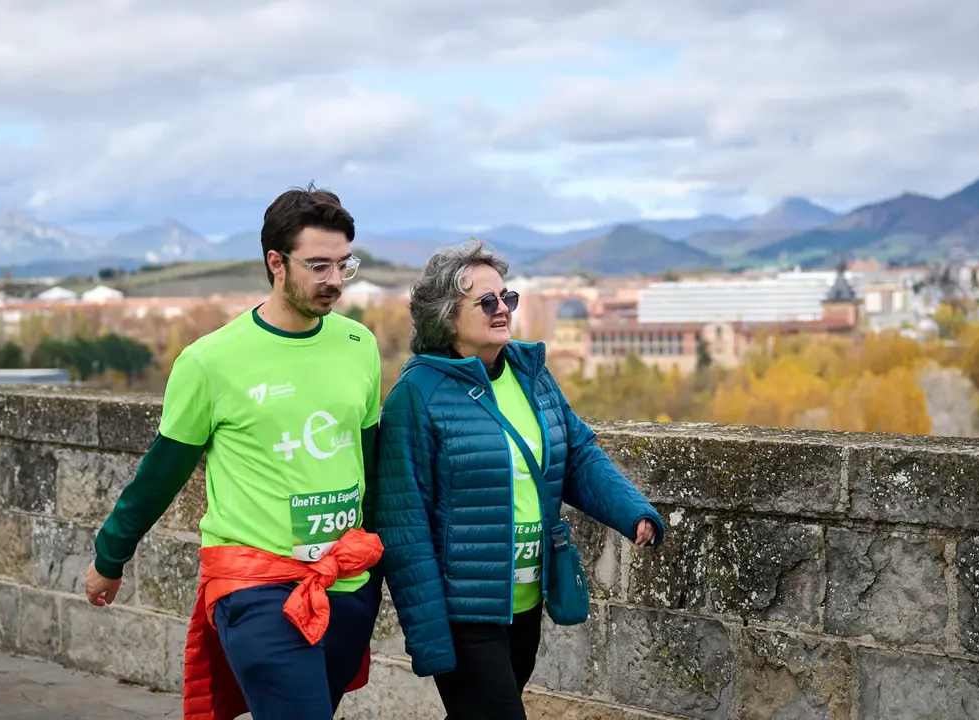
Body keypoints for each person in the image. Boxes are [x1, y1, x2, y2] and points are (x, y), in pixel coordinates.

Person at [84, 185, 385, 720]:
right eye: (318, 266)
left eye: (345, 265)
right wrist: (111, 555)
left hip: (346, 585)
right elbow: (162, 472)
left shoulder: (358, 344)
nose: (335, 281)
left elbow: (372, 465)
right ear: (276, 262)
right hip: (257, 586)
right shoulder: (210, 362)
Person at [373, 239, 666, 719]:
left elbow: (576, 455)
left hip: (527, 600)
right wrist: (429, 637)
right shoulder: (417, 394)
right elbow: (404, 526)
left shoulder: (530, 374)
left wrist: (631, 510)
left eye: (506, 298)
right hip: (466, 611)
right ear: (447, 317)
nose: (501, 309)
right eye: (486, 302)